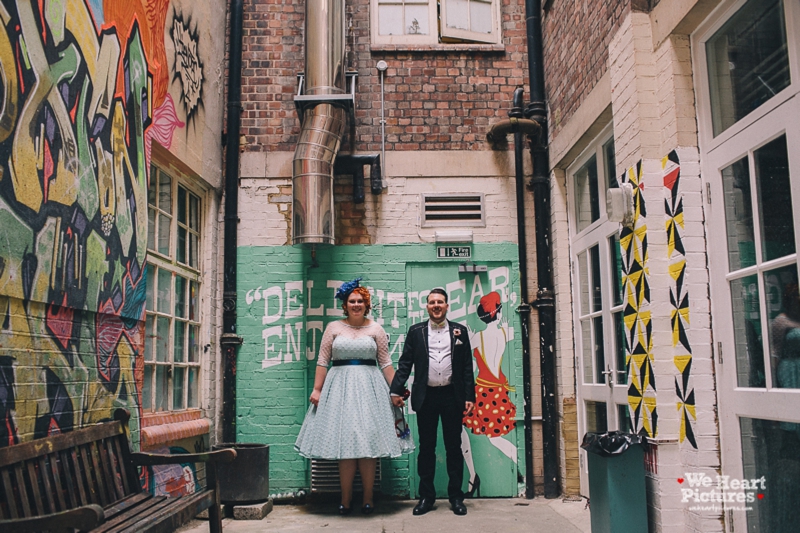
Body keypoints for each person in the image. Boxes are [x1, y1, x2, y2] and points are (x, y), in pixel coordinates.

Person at [295, 278, 412, 516]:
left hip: (370, 390)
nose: (356, 305)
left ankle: (368, 498)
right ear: (345, 304)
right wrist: (317, 389)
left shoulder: (376, 329)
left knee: (368, 442)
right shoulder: (333, 328)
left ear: (366, 305)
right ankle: (345, 499)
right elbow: (322, 360)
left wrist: (396, 390)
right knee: (345, 443)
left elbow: (386, 363)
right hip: (339, 390)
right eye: (352, 301)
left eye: (360, 301)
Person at [391, 288, 475, 516]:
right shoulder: (416, 331)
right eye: (432, 302)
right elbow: (405, 363)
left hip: (452, 396)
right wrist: (396, 390)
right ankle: (426, 498)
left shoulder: (460, 331)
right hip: (426, 397)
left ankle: (456, 497)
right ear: (426, 306)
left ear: (447, 306)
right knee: (426, 449)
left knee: (453, 448)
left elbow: (467, 366)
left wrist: (470, 396)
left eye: (440, 302)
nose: (436, 305)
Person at [461, 291, 518, 498]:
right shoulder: (505, 333)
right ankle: (517, 465)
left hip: (483, 392)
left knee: (467, 430)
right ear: (498, 312)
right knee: (494, 437)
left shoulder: (477, 337)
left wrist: (467, 337)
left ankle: (473, 476)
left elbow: (463, 356)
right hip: (499, 392)